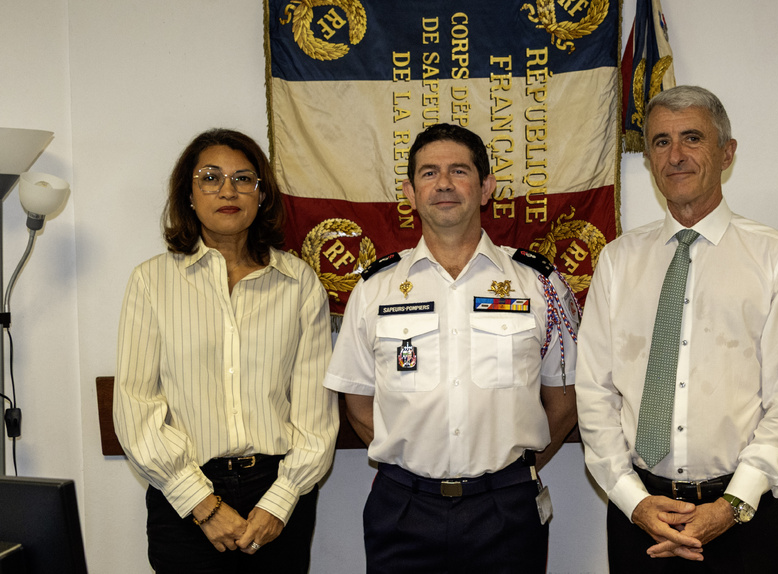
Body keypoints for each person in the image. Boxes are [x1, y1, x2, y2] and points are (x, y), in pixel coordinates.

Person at [575, 85, 778, 573]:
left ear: (726, 153)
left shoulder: (776, 257)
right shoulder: (619, 260)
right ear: (648, 159)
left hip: (745, 514)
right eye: (661, 142)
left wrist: (731, 506)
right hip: (641, 518)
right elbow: (594, 392)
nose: (676, 155)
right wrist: (633, 500)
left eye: (692, 138)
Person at [323, 123, 580, 573]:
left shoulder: (539, 282)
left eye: (459, 171)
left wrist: (511, 474)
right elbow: (358, 401)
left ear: (486, 188)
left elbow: (564, 398)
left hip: (506, 510)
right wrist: (411, 464)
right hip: (402, 509)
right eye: (429, 173)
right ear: (409, 191)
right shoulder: (375, 288)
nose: (443, 183)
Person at [113, 128, 338, 573]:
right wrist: (202, 504)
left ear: (262, 195)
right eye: (210, 177)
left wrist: (281, 499)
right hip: (183, 494)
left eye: (244, 178)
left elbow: (316, 412)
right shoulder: (151, 282)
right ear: (189, 195)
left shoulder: (299, 283)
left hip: (278, 494)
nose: (228, 190)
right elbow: (136, 407)